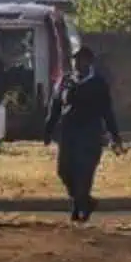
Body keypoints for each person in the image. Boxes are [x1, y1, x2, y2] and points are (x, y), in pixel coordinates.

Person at [44, 46, 124, 223]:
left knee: (84, 172)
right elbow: (55, 106)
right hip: (68, 132)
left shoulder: (98, 83)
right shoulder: (65, 81)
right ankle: (84, 201)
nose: (77, 64)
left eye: (82, 60)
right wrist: (48, 129)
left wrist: (114, 136)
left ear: (89, 62)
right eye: (75, 60)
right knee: (64, 170)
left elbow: (107, 111)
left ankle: (79, 207)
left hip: (90, 133)